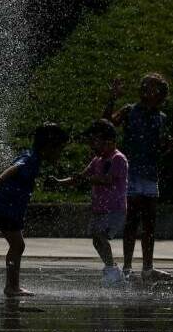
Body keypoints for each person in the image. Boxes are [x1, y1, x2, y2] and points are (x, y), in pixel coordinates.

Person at [0, 123, 70, 296]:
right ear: (48, 147)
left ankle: (12, 286)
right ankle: (11, 287)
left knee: (17, 245)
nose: (59, 154)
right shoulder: (30, 159)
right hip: (6, 208)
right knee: (18, 245)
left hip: (8, 208)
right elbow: (16, 168)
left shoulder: (32, 157)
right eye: (59, 149)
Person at [105, 73, 173, 281]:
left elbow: (156, 148)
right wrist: (112, 98)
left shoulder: (161, 118)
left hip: (150, 176)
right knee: (131, 221)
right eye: (144, 85)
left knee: (150, 223)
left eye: (151, 87)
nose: (145, 88)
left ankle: (148, 268)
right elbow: (106, 124)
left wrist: (168, 148)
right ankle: (128, 268)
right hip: (130, 175)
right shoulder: (130, 111)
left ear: (160, 94)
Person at [53, 120, 128, 285]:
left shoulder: (118, 159)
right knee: (96, 239)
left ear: (109, 142)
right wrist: (60, 182)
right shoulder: (97, 160)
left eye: (95, 142)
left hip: (115, 210)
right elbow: (80, 176)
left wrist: (85, 178)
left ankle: (112, 271)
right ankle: (112, 269)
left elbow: (107, 180)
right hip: (99, 209)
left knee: (100, 236)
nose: (92, 147)